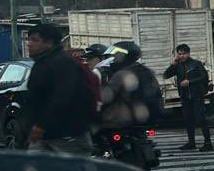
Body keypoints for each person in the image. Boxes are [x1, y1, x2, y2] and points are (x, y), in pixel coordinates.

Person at [23, 23, 95, 155]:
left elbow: (63, 97)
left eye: (35, 40)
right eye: (29, 40)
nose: (29, 44)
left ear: (49, 43)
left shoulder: (63, 63)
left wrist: (41, 125)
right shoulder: (41, 63)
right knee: (34, 170)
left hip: (68, 135)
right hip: (44, 135)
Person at [99, 41, 163, 131]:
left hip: (125, 119)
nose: (113, 59)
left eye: (115, 56)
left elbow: (106, 97)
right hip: (150, 116)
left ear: (124, 56)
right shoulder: (147, 71)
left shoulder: (122, 74)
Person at [163, 43, 214, 151]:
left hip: (196, 95)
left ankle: (208, 143)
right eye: (180, 54)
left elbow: (204, 76)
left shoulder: (196, 64)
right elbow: (165, 75)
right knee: (188, 119)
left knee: (200, 118)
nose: (182, 56)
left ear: (188, 53)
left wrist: (190, 82)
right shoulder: (178, 66)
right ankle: (191, 142)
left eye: (184, 54)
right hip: (184, 96)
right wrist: (173, 64)